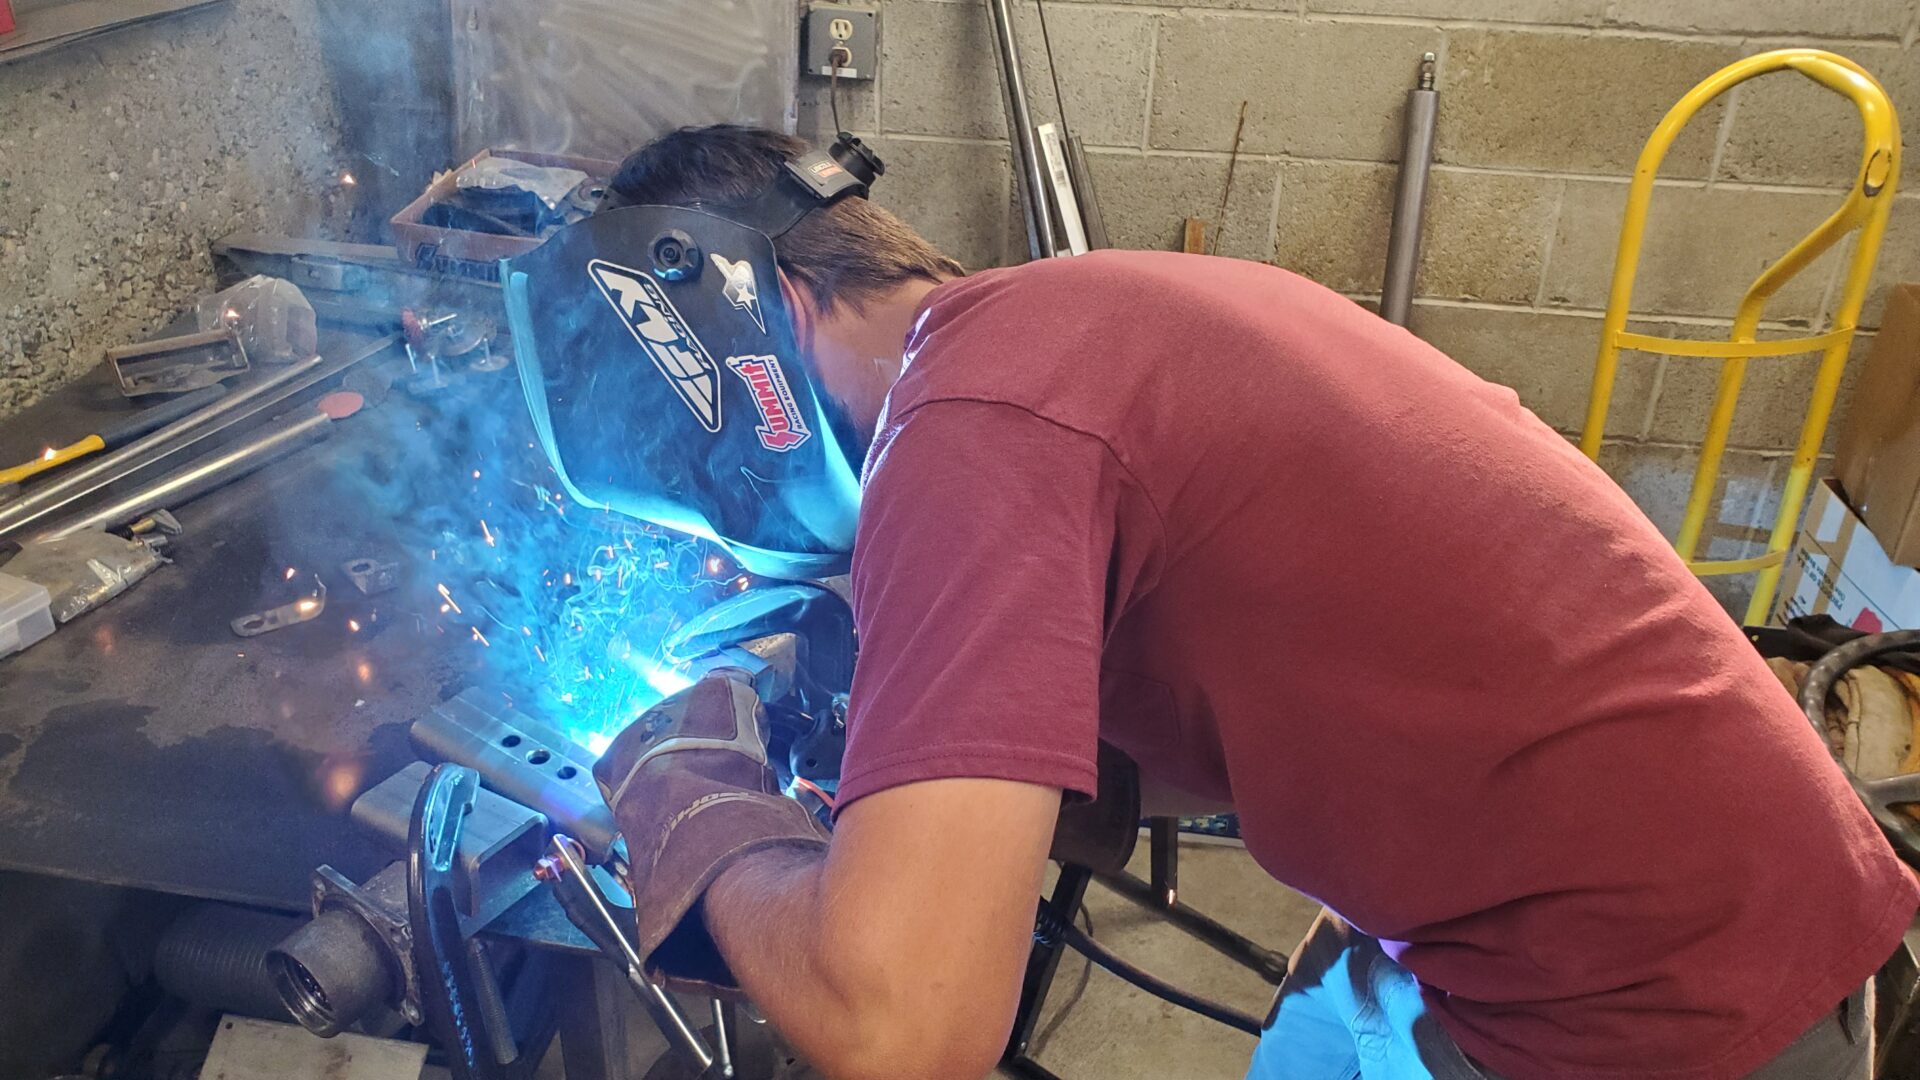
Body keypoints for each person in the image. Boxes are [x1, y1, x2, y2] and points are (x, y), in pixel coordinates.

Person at [579, 125, 1916, 1080]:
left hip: (1663, 1004)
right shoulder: (1067, 325)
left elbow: (906, 1026)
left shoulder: (970, 420)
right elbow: (1269, 672)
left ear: (764, 319)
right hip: (1536, 917)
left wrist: (697, 804)